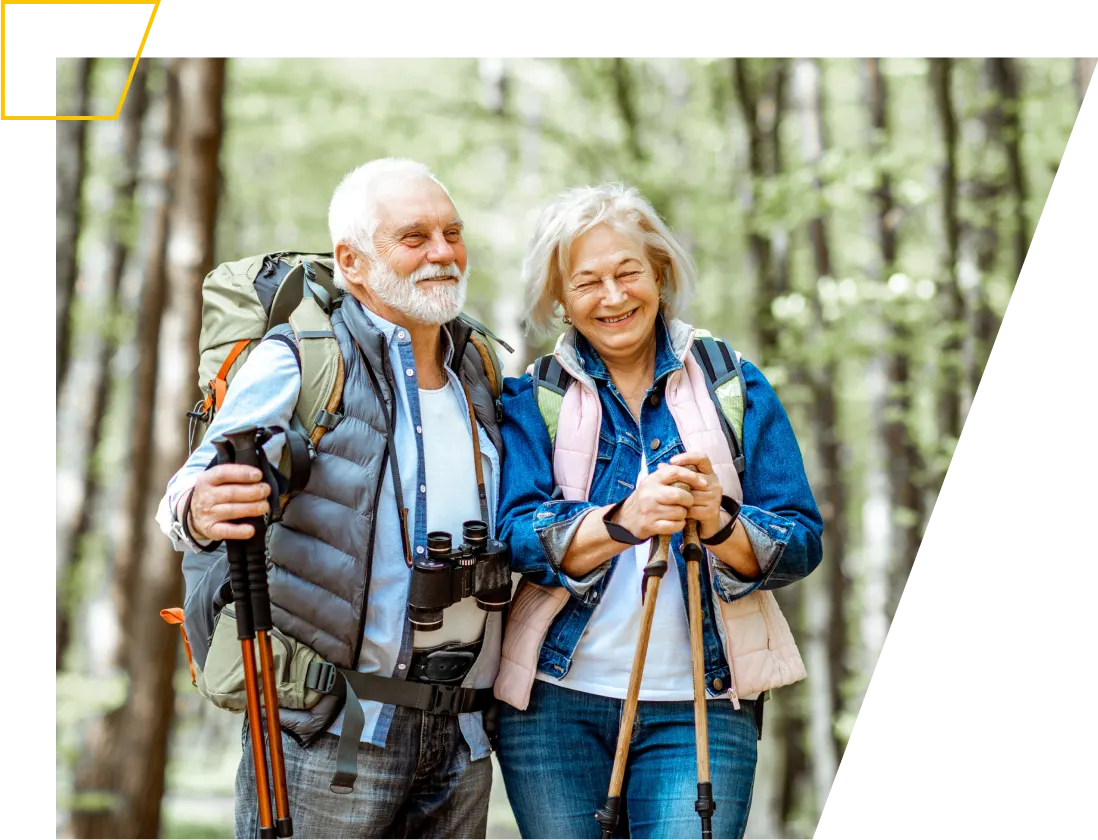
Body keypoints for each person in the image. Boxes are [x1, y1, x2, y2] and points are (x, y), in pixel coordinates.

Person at [156, 157, 507, 840]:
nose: (443, 253)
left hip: (462, 738)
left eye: (452, 232)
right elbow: (189, 490)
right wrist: (198, 507)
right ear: (352, 261)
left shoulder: (482, 366)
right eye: (415, 238)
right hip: (333, 735)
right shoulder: (302, 358)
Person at [492, 182, 825, 840]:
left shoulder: (733, 381)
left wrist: (721, 522)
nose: (613, 298)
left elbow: (801, 540)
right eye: (587, 282)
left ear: (661, 273)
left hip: (702, 702)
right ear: (558, 297)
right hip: (556, 706)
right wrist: (624, 520)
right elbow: (512, 537)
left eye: (628, 273)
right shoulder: (533, 396)